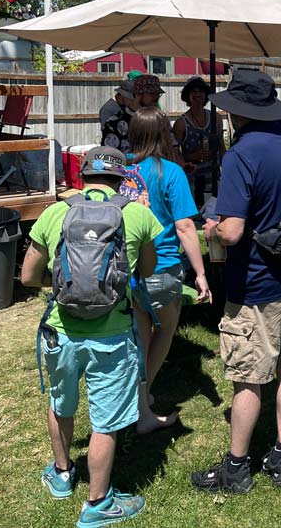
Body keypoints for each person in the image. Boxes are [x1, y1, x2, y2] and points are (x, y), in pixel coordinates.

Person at [20, 146, 163, 526]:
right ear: (123, 178)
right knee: (105, 420)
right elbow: (147, 269)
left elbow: (28, 277)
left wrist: (62, 285)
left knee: (61, 402)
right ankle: (98, 503)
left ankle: (63, 473)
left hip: (61, 331)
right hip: (113, 334)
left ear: (82, 175)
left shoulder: (56, 212)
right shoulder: (136, 214)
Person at [192, 69, 281, 494]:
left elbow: (232, 231)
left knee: (248, 376)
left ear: (237, 114)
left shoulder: (241, 155)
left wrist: (210, 229)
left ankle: (236, 467)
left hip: (259, 283)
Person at [127, 106, 212, 434]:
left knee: (139, 337)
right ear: (165, 134)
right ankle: (142, 400)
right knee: (163, 331)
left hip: (126, 271)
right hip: (161, 267)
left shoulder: (121, 171)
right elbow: (186, 226)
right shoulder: (171, 172)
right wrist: (201, 273)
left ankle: (137, 399)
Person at [172, 76, 220, 209]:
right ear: (187, 96)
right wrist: (194, 156)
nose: (197, 94)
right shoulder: (181, 123)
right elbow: (175, 154)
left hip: (214, 175)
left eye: (200, 91)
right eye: (193, 91)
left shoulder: (215, 118)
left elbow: (221, 146)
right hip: (193, 178)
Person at [99, 78, 136, 155]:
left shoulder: (126, 108)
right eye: (130, 98)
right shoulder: (108, 109)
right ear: (122, 96)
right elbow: (107, 132)